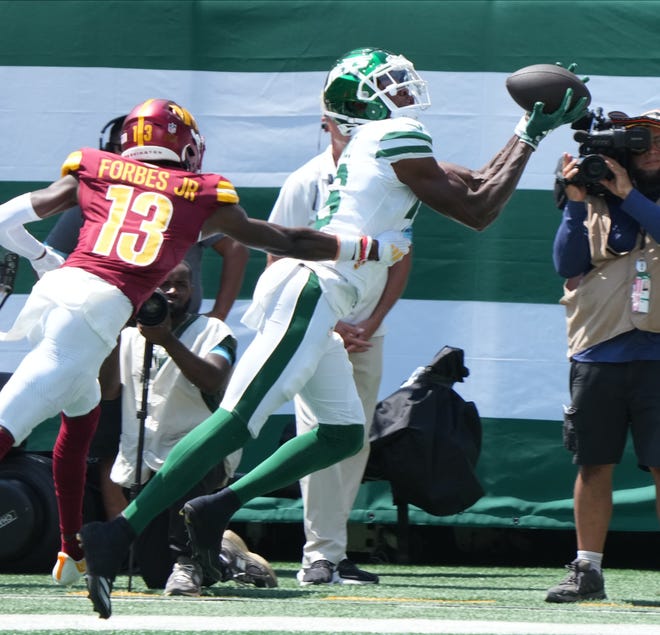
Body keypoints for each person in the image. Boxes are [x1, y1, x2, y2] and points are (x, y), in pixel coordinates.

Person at [78, 49, 586, 619]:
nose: (401, 90)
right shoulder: (396, 133)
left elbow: (475, 180)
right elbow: (479, 210)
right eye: (388, 83)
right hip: (313, 289)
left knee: (343, 433)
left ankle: (217, 505)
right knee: (236, 420)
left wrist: (525, 130)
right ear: (361, 98)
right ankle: (120, 530)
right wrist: (531, 134)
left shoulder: (383, 141)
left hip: (323, 292)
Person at [0, 97, 400, 601]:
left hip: (67, 300)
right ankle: (85, 546)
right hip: (98, 309)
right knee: (10, 421)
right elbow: (278, 238)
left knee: (78, 419)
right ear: (185, 147)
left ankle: (71, 552)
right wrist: (364, 248)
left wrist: (42, 257)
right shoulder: (200, 192)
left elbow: (4, 221)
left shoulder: (95, 169)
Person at [266, 115, 411, 585]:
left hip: (367, 333)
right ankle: (319, 556)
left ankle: (334, 550)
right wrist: (328, 323)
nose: (358, 134)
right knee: (320, 435)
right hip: (317, 326)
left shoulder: (388, 177)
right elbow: (276, 254)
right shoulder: (304, 181)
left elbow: (402, 256)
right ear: (326, 125)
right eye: (347, 125)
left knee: (353, 440)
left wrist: (372, 321)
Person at [99, 260, 275, 595]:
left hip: (200, 453)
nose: (172, 293)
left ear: (192, 289)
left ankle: (190, 562)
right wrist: (112, 333)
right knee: (154, 573)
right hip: (145, 459)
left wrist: (166, 340)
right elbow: (107, 390)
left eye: (181, 284)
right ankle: (229, 556)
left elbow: (212, 379)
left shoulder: (214, 332)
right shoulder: (129, 337)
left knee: (183, 561)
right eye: (163, 285)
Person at [546, 109, 660, 603]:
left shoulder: (620, 192)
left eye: (659, 139)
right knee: (593, 464)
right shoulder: (594, 190)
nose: (652, 147)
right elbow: (567, 263)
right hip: (597, 349)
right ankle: (587, 569)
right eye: (642, 140)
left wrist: (626, 194)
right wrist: (575, 202)